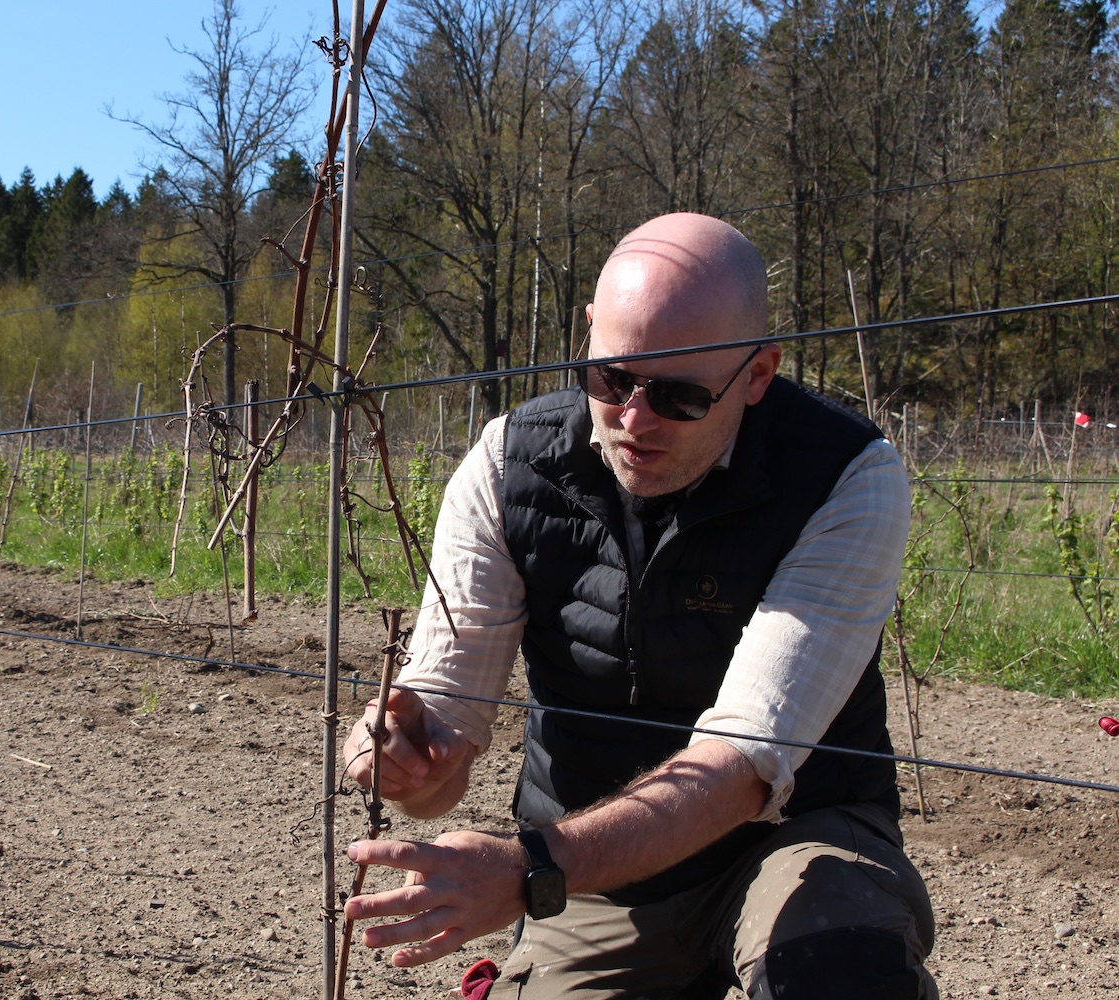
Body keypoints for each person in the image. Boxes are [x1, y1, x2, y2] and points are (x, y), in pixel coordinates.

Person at [341, 212, 936, 998]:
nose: (634, 418)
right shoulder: (508, 466)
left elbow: (746, 762)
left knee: (835, 969)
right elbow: (443, 750)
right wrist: (403, 758)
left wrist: (529, 867)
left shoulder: (847, 476)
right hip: (598, 875)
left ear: (758, 374)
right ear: (589, 333)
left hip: (798, 839)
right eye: (611, 378)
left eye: (680, 396)